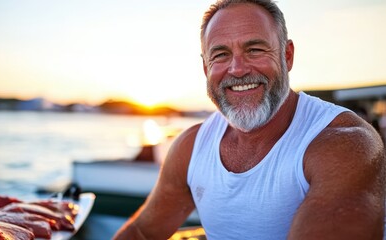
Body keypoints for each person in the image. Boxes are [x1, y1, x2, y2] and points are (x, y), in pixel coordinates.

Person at [113, 0, 386, 239]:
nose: (238, 69)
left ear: (287, 56)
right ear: (206, 67)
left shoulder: (345, 143)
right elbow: (142, 233)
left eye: (255, 50)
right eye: (220, 55)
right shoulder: (191, 147)